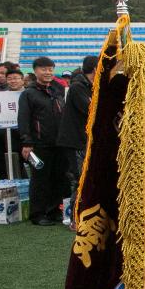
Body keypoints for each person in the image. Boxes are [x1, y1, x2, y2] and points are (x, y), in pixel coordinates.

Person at [18, 56, 68, 225]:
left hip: (59, 143)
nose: (48, 72)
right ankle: (37, 214)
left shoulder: (58, 90)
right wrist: (26, 142)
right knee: (40, 180)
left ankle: (54, 210)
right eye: (44, 69)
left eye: (50, 69)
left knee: (58, 178)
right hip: (39, 144)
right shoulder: (28, 93)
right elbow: (23, 119)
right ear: (35, 71)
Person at [56, 56, 96, 222]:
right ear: (95, 69)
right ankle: (75, 216)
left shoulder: (90, 86)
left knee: (85, 178)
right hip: (75, 141)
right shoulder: (78, 87)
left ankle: (80, 215)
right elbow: (91, 110)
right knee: (80, 179)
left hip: (84, 140)